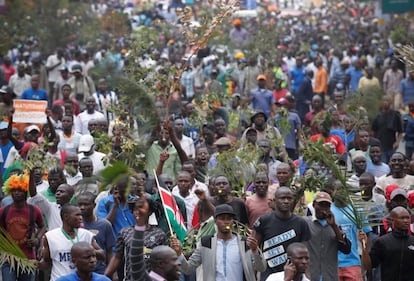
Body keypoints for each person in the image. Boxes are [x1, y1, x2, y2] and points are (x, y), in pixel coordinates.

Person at [171, 204, 266, 281]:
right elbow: (188, 269)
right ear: (215, 221)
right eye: (222, 218)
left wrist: (255, 250)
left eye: (229, 218)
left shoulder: (245, 243)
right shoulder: (206, 243)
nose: (226, 222)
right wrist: (179, 254)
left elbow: (261, 268)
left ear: (233, 221)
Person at [253, 186, 311, 280]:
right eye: (282, 198)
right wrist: (254, 275)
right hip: (268, 275)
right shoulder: (264, 221)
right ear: (275, 201)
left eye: (289, 198)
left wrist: (306, 276)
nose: (286, 201)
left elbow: (305, 253)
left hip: (293, 275)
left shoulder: (301, 223)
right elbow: (255, 249)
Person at [104, 195, 166, 281]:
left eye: (141, 209)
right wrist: (106, 275)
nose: (138, 212)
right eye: (135, 209)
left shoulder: (159, 234)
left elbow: (163, 262)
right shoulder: (125, 232)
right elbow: (117, 257)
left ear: (150, 212)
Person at [39, 204, 105, 281]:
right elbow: (47, 262)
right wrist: (36, 265)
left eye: (81, 215)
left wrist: (86, 252)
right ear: (66, 217)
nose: (81, 218)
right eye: (77, 215)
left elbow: (102, 255)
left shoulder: (86, 234)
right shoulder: (50, 236)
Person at [0, 173, 46, 281]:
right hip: (8, 259)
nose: (16, 193)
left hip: (28, 258)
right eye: (14, 190)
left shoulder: (34, 210)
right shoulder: (4, 211)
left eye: (20, 190)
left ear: (26, 191)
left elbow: (42, 227)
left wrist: (37, 239)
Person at [304, 192, 351, 281]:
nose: (323, 209)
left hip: (330, 276)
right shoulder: (305, 223)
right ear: (314, 205)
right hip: (311, 275)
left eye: (327, 206)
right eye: (321, 205)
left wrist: (334, 226)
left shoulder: (335, 226)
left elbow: (346, 249)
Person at [359, 206, 414, 281]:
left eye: (407, 218)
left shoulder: (412, 241)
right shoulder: (382, 242)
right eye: (402, 218)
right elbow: (369, 265)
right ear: (392, 220)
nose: (406, 221)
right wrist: (364, 245)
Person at [78, 192, 116, 274]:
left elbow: (109, 251)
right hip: (80, 271)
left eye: (86, 204)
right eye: (80, 205)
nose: (82, 207)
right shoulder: (75, 225)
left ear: (94, 205)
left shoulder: (104, 225)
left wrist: (111, 272)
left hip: (99, 270)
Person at [372, 97, 403, 163]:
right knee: (383, 163)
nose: (385, 102)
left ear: (390, 103)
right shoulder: (378, 116)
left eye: (387, 101)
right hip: (380, 146)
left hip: (391, 145)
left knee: (392, 163)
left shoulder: (395, 115)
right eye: (384, 101)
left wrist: (397, 142)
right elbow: (374, 131)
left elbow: (400, 131)